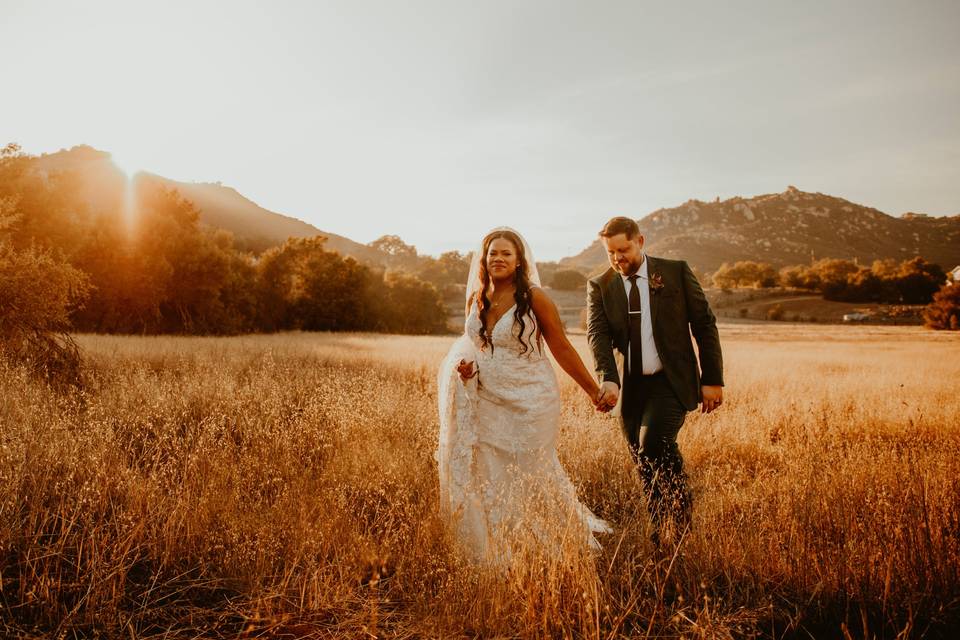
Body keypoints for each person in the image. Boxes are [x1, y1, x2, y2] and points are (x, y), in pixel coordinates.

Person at [436, 227, 612, 566]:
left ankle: (550, 535)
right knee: (488, 466)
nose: (498, 259)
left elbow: (560, 346)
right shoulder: (478, 297)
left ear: (519, 261)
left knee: (531, 468)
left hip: (531, 399)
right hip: (487, 396)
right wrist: (467, 368)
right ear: (484, 260)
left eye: (506, 253)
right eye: (493, 254)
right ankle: (501, 537)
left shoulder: (535, 298)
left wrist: (592, 390)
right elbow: (475, 346)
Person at [587, 216, 724, 548]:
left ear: (641, 241)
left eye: (624, 249)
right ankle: (660, 527)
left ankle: (681, 514)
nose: (618, 258)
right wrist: (608, 377)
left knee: (653, 444)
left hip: (671, 381)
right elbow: (598, 335)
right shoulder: (600, 285)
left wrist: (713, 380)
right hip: (629, 386)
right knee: (640, 458)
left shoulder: (675, 271)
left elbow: (704, 325)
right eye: (611, 252)